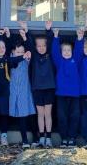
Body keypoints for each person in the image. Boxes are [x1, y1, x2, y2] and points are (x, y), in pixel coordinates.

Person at [20, 20, 56, 148]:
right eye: (38, 46)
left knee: (48, 113)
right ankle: (41, 137)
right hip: (37, 88)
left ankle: (49, 138)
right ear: (35, 47)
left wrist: (48, 29)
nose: (41, 48)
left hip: (49, 88)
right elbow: (28, 43)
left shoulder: (49, 55)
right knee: (40, 114)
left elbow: (51, 42)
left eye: (43, 45)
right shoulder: (34, 56)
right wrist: (26, 30)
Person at [51, 25, 83, 147]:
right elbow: (54, 52)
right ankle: (64, 138)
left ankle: (72, 138)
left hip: (75, 94)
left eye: (68, 50)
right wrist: (55, 37)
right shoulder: (59, 61)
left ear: (71, 51)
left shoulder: (75, 60)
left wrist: (79, 38)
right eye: (64, 50)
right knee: (62, 117)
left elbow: (79, 51)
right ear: (61, 52)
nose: (66, 52)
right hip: (61, 94)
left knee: (74, 116)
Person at [8, 34, 35, 148]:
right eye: (18, 52)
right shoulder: (12, 61)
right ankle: (24, 140)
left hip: (25, 91)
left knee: (30, 115)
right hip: (15, 91)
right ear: (13, 52)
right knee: (21, 116)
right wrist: (21, 56)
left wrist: (25, 36)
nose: (20, 54)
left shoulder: (26, 61)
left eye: (22, 52)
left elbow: (31, 50)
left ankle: (36, 138)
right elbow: (13, 61)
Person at [0, 28, 12, 145]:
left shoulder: (7, 59)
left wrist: (8, 35)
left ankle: (4, 135)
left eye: (3, 47)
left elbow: (9, 46)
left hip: (5, 90)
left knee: (4, 113)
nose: (0, 49)